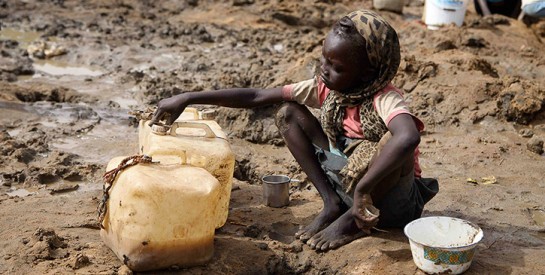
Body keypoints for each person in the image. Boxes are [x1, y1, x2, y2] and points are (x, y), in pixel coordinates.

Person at [151, 9, 438, 251]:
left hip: (389, 204)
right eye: (324, 59)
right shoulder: (328, 89)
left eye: (336, 66)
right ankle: (331, 204)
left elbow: (408, 137)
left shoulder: (384, 99)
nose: (324, 69)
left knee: (394, 140)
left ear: (367, 73)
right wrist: (188, 97)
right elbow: (255, 97)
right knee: (289, 113)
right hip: (350, 183)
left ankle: (353, 219)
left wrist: (362, 190)